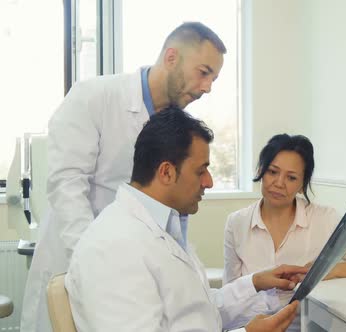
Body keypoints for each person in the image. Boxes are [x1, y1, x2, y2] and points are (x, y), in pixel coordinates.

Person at [21, 22, 226, 332]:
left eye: (214, 78)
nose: (208, 86)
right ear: (171, 58)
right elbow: (66, 186)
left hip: (136, 269)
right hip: (87, 263)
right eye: (204, 72)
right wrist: (98, 265)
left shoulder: (177, 127)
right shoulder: (94, 97)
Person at [65, 108, 307, 331]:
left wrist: (255, 282)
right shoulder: (112, 248)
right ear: (167, 172)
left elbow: (200, 310)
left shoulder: (161, 227)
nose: (209, 182)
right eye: (201, 171)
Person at [223, 134, 346, 331]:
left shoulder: (324, 218)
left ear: (303, 184)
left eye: (291, 177)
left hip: (304, 325)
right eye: (272, 172)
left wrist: (324, 271)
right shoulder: (237, 222)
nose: (279, 183)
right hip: (249, 326)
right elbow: (230, 292)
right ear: (261, 171)